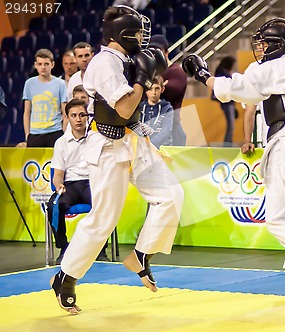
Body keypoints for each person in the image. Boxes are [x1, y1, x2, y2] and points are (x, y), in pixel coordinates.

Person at [183, 18, 285, 299]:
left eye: (264, 43)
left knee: (278, 218)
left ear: (276, 45)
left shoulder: (271, 68)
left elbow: (236, 89)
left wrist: (202, 75)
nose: (259, 49)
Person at [49, 5, 184, 314]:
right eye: (137, 32)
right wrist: (142, 77)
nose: (142, 37)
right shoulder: (103, 63)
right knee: (104, 220)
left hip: (133, 141)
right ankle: (66, 277)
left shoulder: (124, 59)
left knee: (171, 195)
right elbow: (124, 108)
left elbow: (130, 113)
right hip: (107, 144)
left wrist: (143, 73)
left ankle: (141, 254)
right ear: (123, 34)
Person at [47, 99, 110, 264]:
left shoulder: (96, 139)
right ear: (67, 118)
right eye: (74, 115)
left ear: (88, 117)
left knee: (104, 203)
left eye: (82, 115)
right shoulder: (61, 143)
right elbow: (58, 174)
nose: (78, 119)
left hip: (92, 182)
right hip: (71, 186)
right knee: (54, 205)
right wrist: (58, 185)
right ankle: (64, 247)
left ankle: (100, 248)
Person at [23, 48, 67, 147]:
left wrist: (63, 133)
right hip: (35, 134)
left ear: (52, 64)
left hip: (55, 132)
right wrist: (27, 135)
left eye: (46, 64)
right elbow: (27, 112)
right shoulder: (29, 83)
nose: (43, 67)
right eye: (40, 64)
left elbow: (65, 112)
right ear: (35, 65)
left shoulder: (60, 84)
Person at [148, 34, 187, 146]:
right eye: (151, 51)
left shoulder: (176, 71)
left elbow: (169, 93)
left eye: (158, 51)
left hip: (172, 130)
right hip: (150, 127)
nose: (155, 54)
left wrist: (146, 86)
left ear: (166, 52)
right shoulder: (150, 71)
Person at [138, 75, 174, 148]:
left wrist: (150, 144)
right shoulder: (140, 108)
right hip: (143, 148)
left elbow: (166, 131)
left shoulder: (167, 108)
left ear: (162, 89)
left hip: (162, 148)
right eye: (150, 89)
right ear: (146, 90)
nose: (154, 92)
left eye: (157, 88)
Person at [214, 56, 237, 146]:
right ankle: (227, 144)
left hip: (228, 102)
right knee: (231, 125)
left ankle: (228, 143)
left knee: (231, 124)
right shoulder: (223, 73)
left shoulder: (221, 72)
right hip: (227, 103)